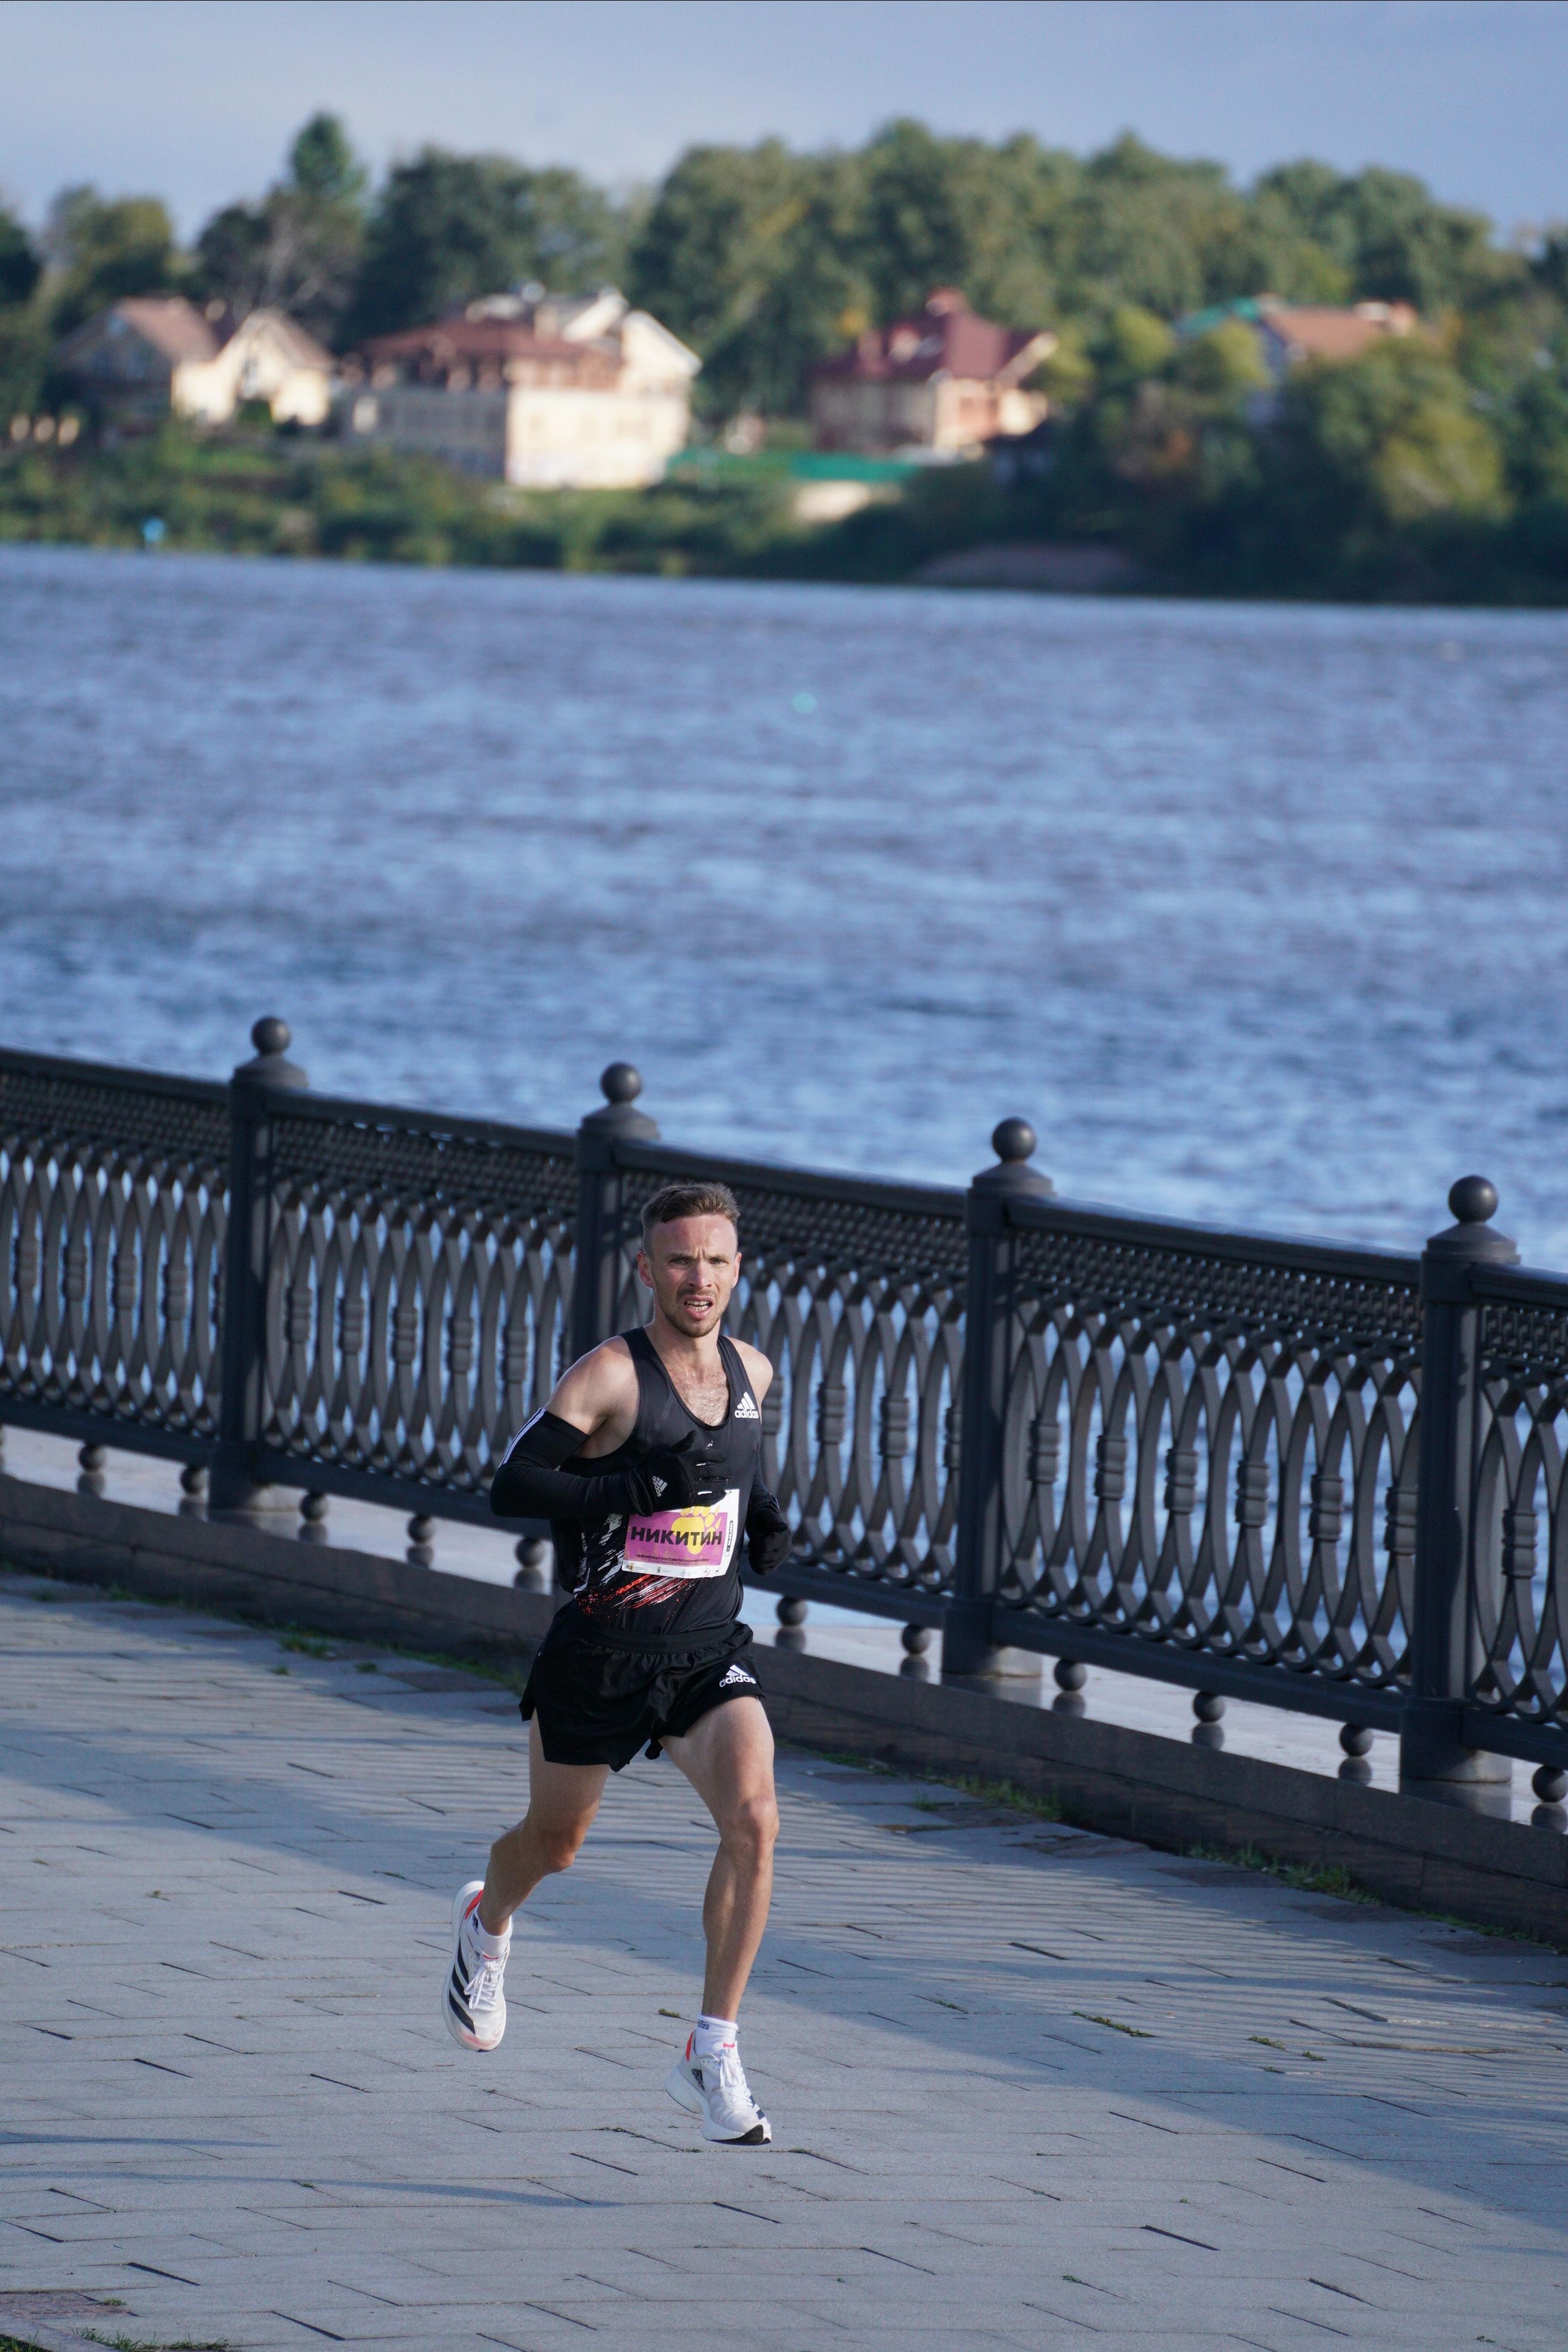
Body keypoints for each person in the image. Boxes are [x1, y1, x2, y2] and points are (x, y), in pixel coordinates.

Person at [442, 1178, 793, 2146]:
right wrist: (628, 1482)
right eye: (680, 1260)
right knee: (553, 1848)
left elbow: (736, 1466)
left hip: (704, 1652)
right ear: (647, 1269)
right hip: (601, 1654)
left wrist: (762, 1521)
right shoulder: (609, 1374)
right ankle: (488, 1919)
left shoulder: (755, 1372)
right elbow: (514, 1482)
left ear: (736, 1269)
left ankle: (711, 2051)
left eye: (716, 1260)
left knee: (756, 1822)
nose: (699, 1278)